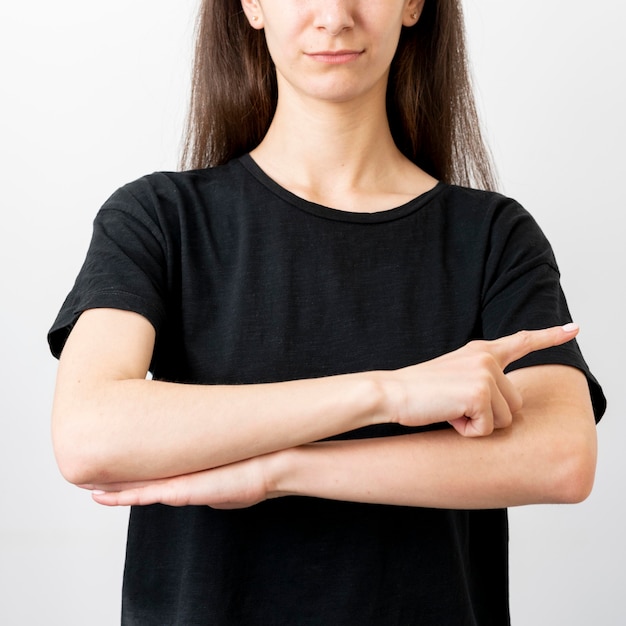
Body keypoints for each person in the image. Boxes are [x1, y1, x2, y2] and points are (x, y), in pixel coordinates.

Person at [48, 0, 606, 624]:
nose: (335, 15)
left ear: (414, 5)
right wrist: (387, 395)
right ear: (253, 5)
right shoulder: (158, 218)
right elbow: (89, 434)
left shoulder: (494, 236)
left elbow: (561, 457)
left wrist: (277, 471)